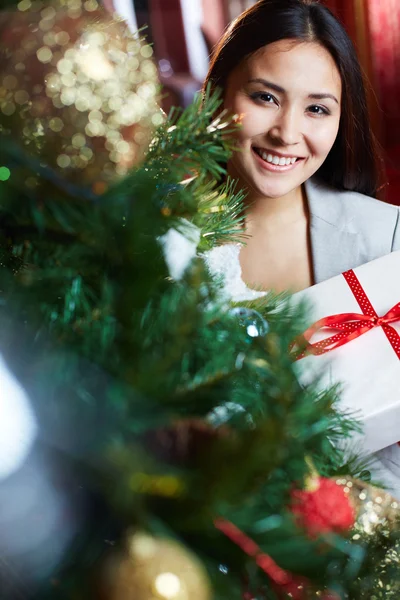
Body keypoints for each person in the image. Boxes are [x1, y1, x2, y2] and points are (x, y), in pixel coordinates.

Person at [202, 0, 400, 495]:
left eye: (316, 108)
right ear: (219, 93)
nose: (287, 133)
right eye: (265, 97)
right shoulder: (164, 239)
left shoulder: (387, 237)